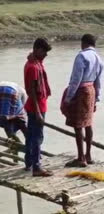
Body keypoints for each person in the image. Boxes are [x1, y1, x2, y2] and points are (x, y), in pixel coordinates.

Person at [62, 34, 103, 167]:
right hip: (91, 89)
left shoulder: (82, 56)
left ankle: (81, 158)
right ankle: (88, 154)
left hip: (81, 90)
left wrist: (68, 97)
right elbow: (99, 81)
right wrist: (97, 97)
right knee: (88, 122)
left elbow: (76, 79)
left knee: (78, 124)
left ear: (83, 43)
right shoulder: (98, 58)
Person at [24, 38, 53, 177]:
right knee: (37, 136)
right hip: (36, 107)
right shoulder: (33, 67)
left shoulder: (36, 63)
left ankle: (29, 162)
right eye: (44, 51)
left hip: (37, 106)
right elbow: (32, 91)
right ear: (36, 49)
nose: (45, 54)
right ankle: (36, 166)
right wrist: (38, 113)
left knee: (31, 135)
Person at [0, 81, 27, 158]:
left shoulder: (19, 89)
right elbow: (22, 112)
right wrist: (13, 117)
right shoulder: (23, 93)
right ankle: (30, 144)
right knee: (20, 118)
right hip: (12, 91)